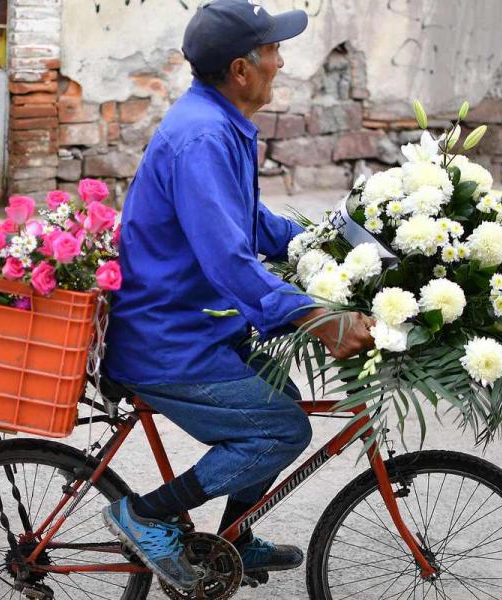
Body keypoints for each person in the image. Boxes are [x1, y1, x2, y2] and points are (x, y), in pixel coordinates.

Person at [99, 0, 375, 591]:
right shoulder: (202, 136)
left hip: (196, 328)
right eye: (272, 50)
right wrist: (315, 316)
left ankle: (234, 537)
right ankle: (145, 515)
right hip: (167, 341)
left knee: (283, 398)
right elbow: (228, 261)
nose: (281, 61)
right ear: (241, 70)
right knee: (281, 431)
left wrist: (328, 246)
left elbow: (250, 225)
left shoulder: (217, 121)